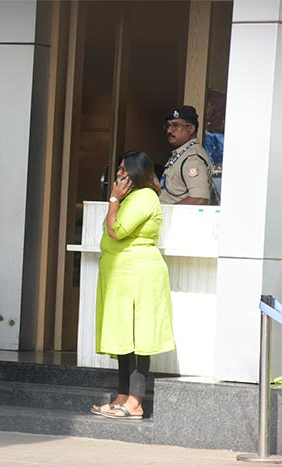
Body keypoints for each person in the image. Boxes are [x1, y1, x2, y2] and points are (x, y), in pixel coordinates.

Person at [90, 150, 175, 420]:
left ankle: (135, 402)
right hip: (122, 275)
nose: (118, 175)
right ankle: (122, 397)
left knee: (139, 339)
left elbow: (117, 230)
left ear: (137, 173)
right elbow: (110, 227)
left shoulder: (144, 197)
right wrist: (117, 202)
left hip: (139, 275)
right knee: (122, 338)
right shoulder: (129, 199)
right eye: (118, 170)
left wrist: (114, 199)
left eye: (123, 171)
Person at [159, 105, 213, 205]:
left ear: (191, 128)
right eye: (168, 126)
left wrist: (169, 215)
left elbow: (199, 199)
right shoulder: (182, 154)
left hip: (179, 220)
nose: (169, 131)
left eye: (175, 126)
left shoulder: (193, 159)